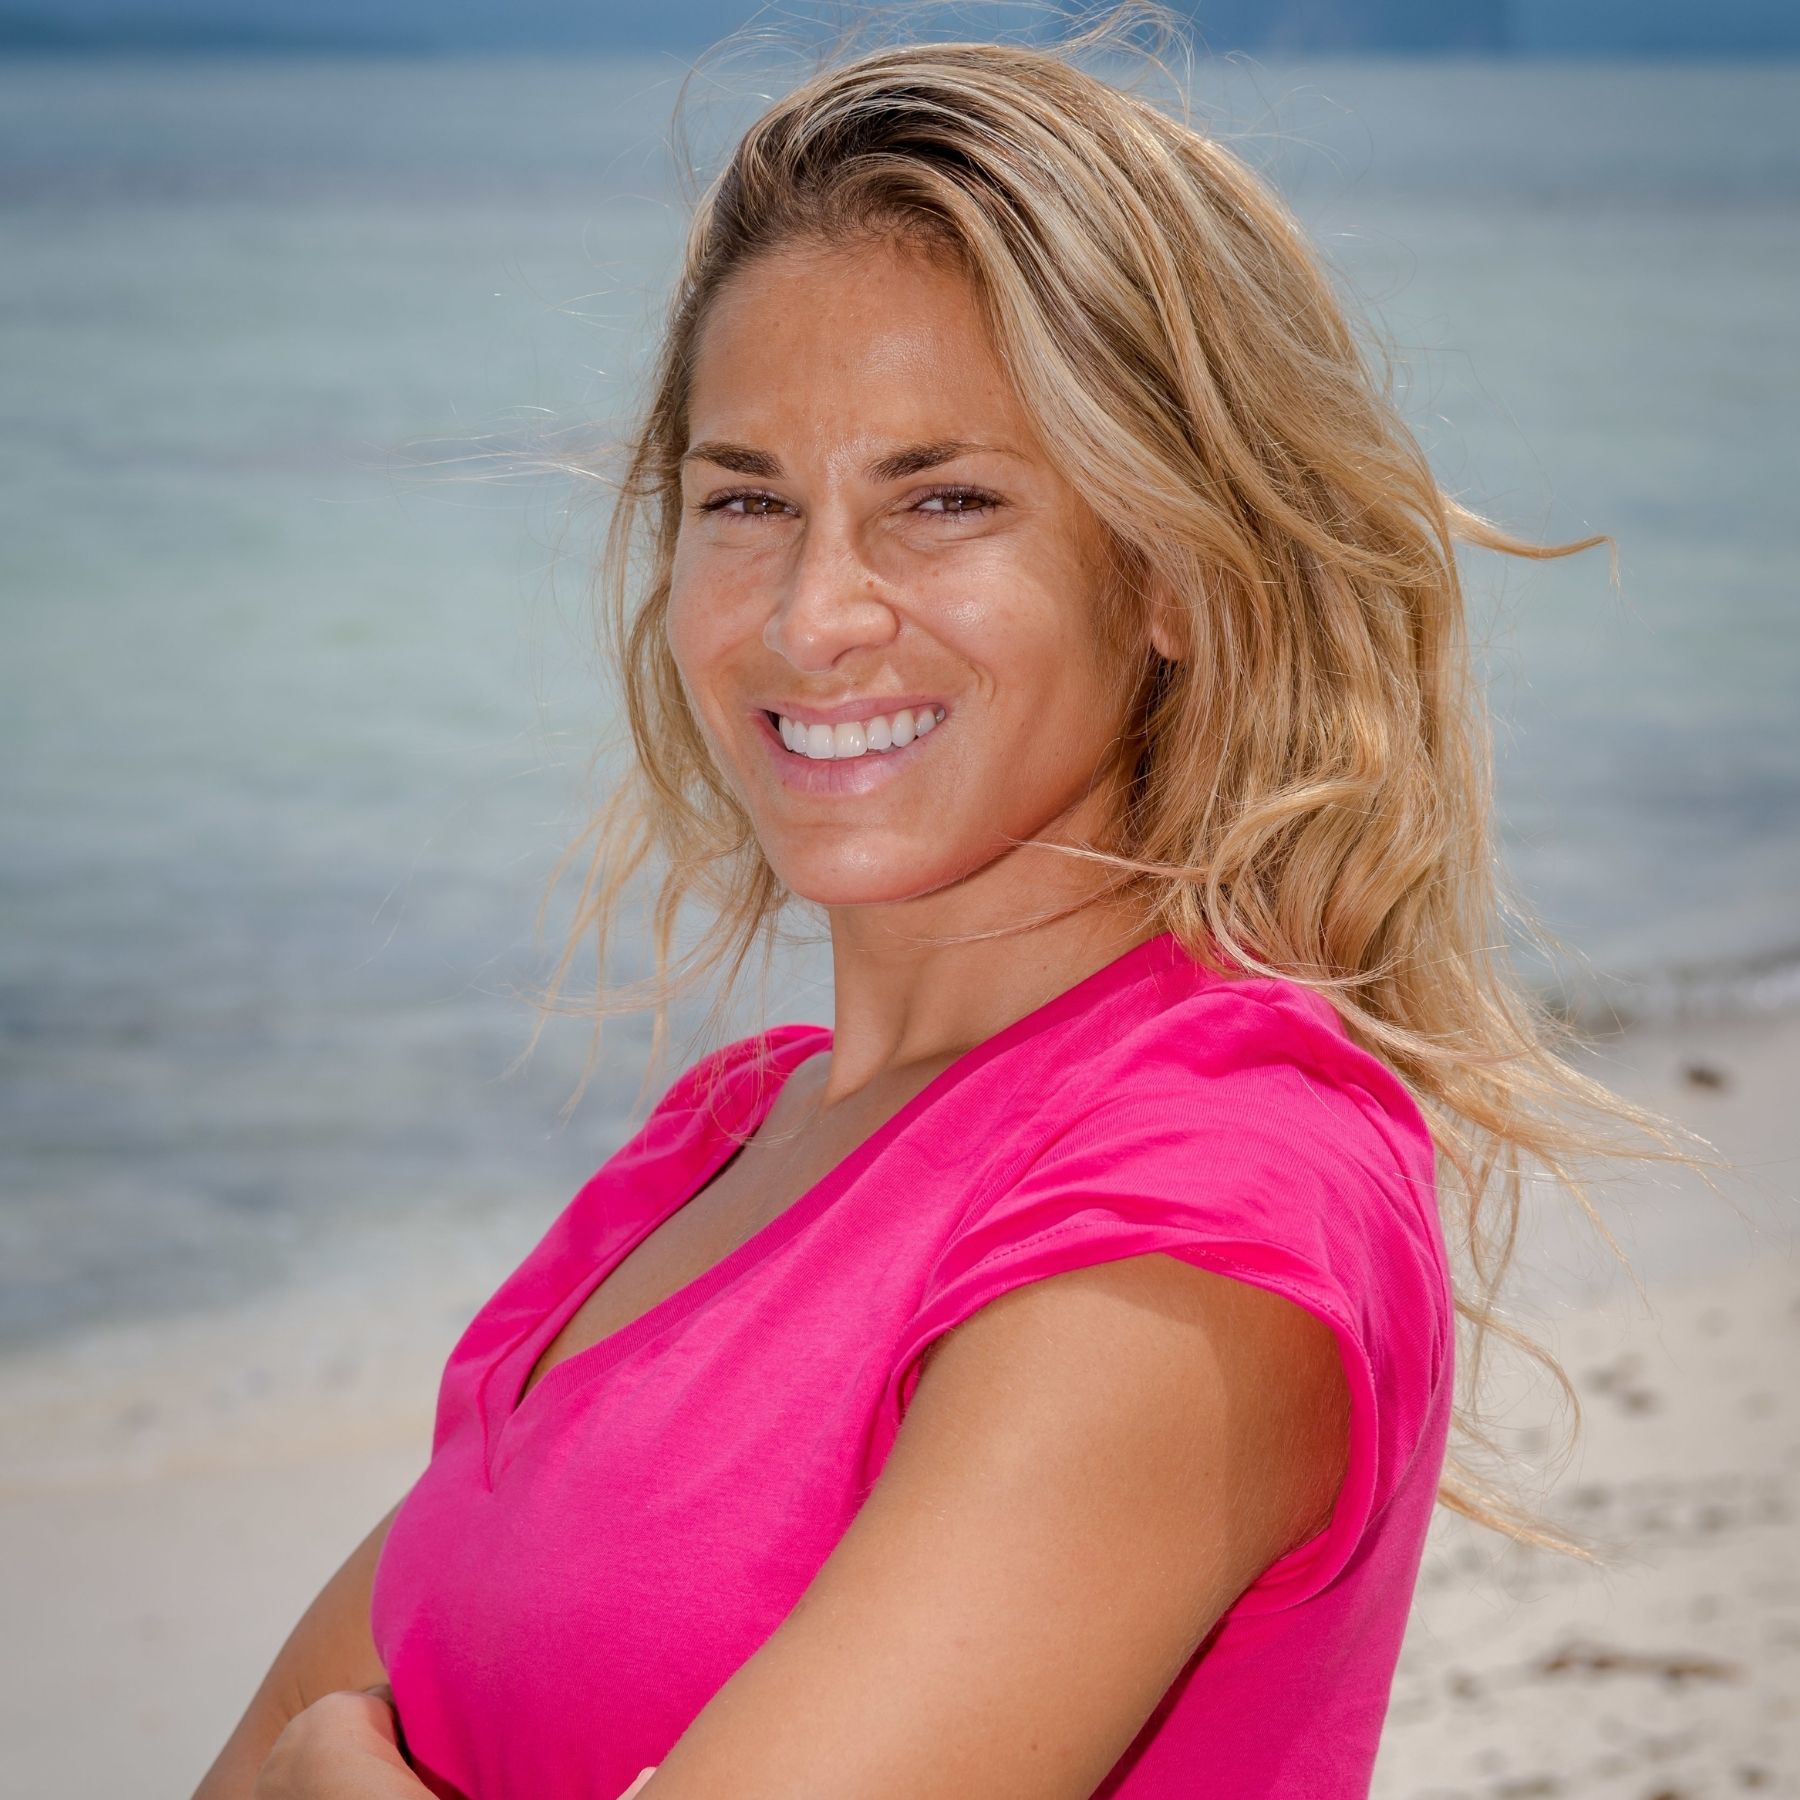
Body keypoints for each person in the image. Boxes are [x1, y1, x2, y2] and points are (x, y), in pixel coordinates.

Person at [194, 13, 1707, 1799]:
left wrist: (328, 1776)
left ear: (1172, 568)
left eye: (946, 499)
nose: (811, 614)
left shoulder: (1201, 1198)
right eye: (746, 499)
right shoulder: (717, 1151)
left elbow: (301, 1748)